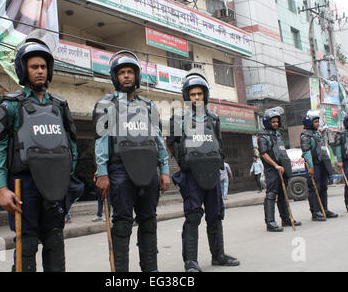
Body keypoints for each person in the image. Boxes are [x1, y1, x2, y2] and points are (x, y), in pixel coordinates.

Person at [0, 39, 78, 272]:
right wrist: (1, 189)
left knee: (54, 239)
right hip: (23, 184)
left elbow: (72, 145)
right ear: (23, 70)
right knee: (26, 242)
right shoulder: (9, 105)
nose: (40, 71)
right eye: (34, 67)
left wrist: (66, 179)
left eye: (43, 66)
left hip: (54, 184)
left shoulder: (60, 105)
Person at [92, 50, 170, 272]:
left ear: (137, 76)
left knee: (148, 220)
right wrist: (103, 172)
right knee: (123, 223)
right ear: (115, 77)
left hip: (147, 169)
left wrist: (164, 170)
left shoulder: (148, 106)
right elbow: (100, 141)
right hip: (119, 170)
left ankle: (151, 270)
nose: (126, 76)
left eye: (130, 72)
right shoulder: (105, 104)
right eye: (121, 72)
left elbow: (158, 140)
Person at [168, 70, 239, 272]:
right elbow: (171, 144)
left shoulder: (214, 118)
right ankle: (191, 261)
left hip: (212, 172)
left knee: (215, 215)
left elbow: (218, 142)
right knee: (193, 216)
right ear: (187, 96)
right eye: (193, 94)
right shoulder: (178, 119)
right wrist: (184, 160)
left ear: (205, 96)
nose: (197, 97)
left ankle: (218, 255)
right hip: (191, 175)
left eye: (200, 94)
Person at [258, 109, 301, 232]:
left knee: (283, 195)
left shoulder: (278, 135)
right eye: (273, 121)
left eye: (277, 121)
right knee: (271, 195)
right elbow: (263, 154)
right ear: (267, 122)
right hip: (272, 170)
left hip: (283, 169)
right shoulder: (263, 137)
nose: (276, 123)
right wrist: (275, 165)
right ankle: (270, 222)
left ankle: (286, 219)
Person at [300, 110, 338, 221]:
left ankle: (324, 209)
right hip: (314, 166)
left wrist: (329, 163)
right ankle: (315, 212)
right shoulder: (305, 136)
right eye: (315, 122)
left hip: (322, 166)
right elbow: (306, 153)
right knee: (314, 188)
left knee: (323, 187)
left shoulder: (318, 134)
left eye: (317, 121)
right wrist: (311, 167)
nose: (317, 124)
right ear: (309, 123)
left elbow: (323, 150)